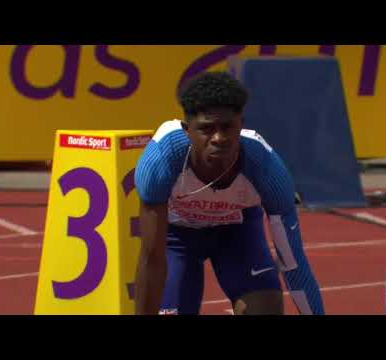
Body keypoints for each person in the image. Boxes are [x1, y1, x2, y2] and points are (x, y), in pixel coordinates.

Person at [134, 71, 325, 315]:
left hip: (237, 234)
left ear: (241, 124)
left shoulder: (266, 168)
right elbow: (152, 259)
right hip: (177, 240)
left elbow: (293, 263)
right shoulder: (161, 161)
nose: (219, 138)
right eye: (206, 129)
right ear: (187, 130)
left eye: (227, 127)